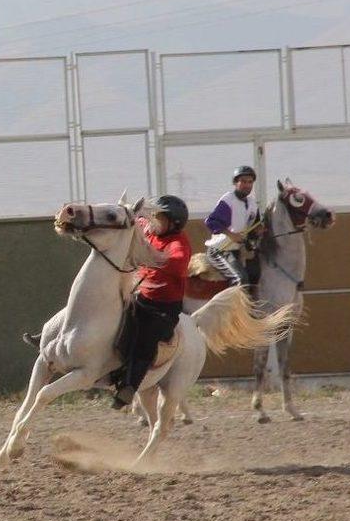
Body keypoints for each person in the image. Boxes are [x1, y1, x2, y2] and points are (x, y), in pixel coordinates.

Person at [112, 195, 192, 409]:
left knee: (144, 343)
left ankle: (129, 387)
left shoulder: (178, 243)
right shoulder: (152, 230)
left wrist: (149, 255)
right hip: (140, 297)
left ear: (173, 223)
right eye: (153, 216)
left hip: (162, 309)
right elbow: (135, 222)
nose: (153, 221)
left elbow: (177, 262)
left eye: (159, 218)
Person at [204, 165, 262, 288]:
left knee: (256, 275)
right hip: (221, 250)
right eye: (243, 181)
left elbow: (254, 227)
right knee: (240, 279)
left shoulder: (252, 203)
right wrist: (231, 235)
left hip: (238, 250)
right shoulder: (228, 200)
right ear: (235, 183)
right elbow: (211, 221)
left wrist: (258, 230)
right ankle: (237, 307)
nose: (247, 185)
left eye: (250, 182)